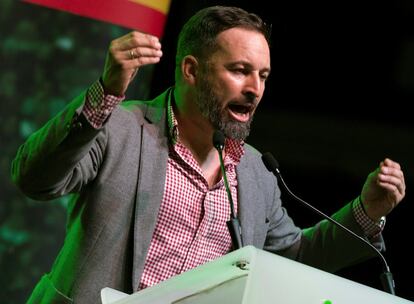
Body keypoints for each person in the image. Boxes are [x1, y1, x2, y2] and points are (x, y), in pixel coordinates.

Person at [12, 5, 406, 304]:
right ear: (191, 70)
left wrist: (366, 211)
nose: (255, 89)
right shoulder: (121, 126)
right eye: (239, 70)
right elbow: (35, 178)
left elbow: (295, 256)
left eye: (263, 76)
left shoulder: (255, 172)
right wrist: (105, 94)